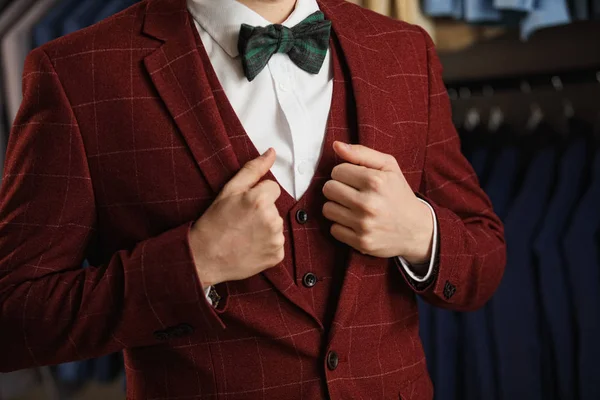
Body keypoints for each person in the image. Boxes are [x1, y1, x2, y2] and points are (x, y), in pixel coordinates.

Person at [0, 0, 506, 398]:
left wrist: (420, 232)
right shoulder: (78, 73)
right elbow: (14, 316)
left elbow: (484, 259)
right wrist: (194, 264)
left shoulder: (402, 49)